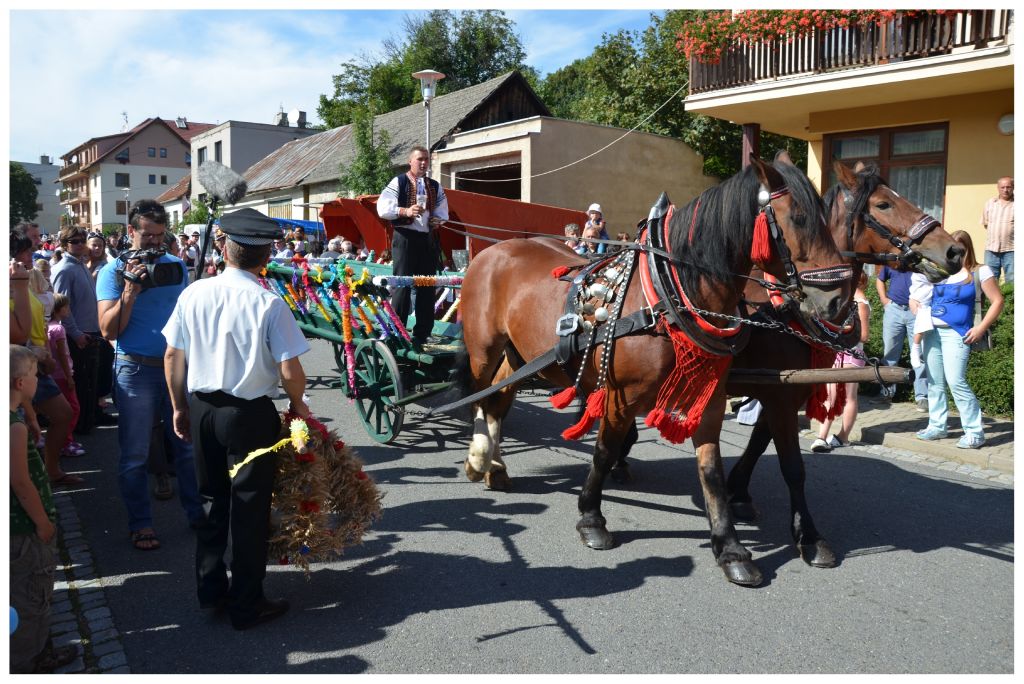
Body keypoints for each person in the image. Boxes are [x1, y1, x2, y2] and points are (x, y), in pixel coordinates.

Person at [163, 207, 311, 631]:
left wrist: (179, 407)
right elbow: (289, 370)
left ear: (224, 249)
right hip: (248, 415)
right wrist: (299, 405)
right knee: (249, 509)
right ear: (265, 257)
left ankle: (210, 589)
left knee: (212, 501)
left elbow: (172, 355)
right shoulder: (269, 303)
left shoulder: (194, 293)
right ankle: (246, 603)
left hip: (203, 408)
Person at [96, 200, 204, 550]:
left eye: (160, 235)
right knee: (135, 455)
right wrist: (130, 291)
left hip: (176, 367)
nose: (155, 242)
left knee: (186, 448)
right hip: (134, 369)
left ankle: (197, 515)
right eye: (147, 235)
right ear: (131, 231)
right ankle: (141, 524)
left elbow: (184, 316)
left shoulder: (176, 266)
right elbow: (108, 330)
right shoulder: (112, 271)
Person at [9, 345, 80, 674]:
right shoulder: (13, 427)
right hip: (24, 528)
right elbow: (20, 483)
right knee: (31, 593)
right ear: (20, 383)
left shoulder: (15, 418)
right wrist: (42, 522)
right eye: (35, 375)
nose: (39, 380)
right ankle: (30, 658)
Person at [914, 231, 1004, 449]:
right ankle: (937, 426)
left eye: (958, 248)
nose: (953, 252)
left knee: (956, 381)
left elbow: (997, 301)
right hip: (931, 331)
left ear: (967, 248)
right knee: (934, 381)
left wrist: (981, 328)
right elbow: (920, 294)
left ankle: (975, 432)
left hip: (957, 333)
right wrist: (915, 304)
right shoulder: (940, 271)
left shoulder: (979, 271)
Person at [11, 226, 80, 488]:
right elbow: (18, 333)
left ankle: (50, 471)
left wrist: (46, 355)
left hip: (36, 363)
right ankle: (29, 486)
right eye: (26, 250)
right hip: (19, 367)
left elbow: (38, 321)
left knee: (63, 414)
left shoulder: (24, 280)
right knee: (24, 427)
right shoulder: (14, 284)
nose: (32, 253)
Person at [376, 145, 448, 346]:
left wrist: (438, 220)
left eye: (426, 159)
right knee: (402, 285)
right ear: (410, 161)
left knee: (427, 285)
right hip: (405, 237)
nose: (423, 163)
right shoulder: (399, 181)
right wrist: (405, 211)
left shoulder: (435, 186)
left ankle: (423, 333)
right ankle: (396, 332)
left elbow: (443, 211)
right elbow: (382, 208)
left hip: (427, 239)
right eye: (419, 159)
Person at [50, 225, 108, 434]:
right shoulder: (64, 269)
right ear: (65, 244)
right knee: (81, 382)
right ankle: (81, 424)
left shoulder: (81, 264)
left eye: (82, 241)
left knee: (93, 380)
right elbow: (62, 307)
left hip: (91, 331)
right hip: (79, 334)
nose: (80, 244)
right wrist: (76, 334)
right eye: (74, 241)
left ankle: (91, 416)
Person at [811, 272, 872, 451]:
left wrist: (844, 330)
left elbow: (864, 336)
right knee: (830, 395)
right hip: (837, 352)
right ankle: (821, 437)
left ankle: (843, 436)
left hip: (852, 353)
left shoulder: (861, 303)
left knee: (848, 397)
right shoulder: (844, 301)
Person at [875, 264, 929, 409]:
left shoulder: (920, 262)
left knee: (919, 354)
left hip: (917, 311)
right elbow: (880, 279)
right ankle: (886, 393)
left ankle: (922, 397)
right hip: (894, 310)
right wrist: (884, 299)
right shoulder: (893, 261)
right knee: (889, 354)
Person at [47, 294, 86, 458]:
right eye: (66, 307)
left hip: (54, 375)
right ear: (57, 309)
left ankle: (65, 440)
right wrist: (69, 376)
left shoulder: (48, 327)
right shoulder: (58, 329)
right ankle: (65, 442)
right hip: (62, 375)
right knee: (72, 409)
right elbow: (62, 355)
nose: (68, 309)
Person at [980, 176, 1013, 283]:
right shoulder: (990, 203)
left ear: (1013, 188)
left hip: (1012, 250)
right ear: (998, 188)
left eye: (1008, 187)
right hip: (991, 250)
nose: (1005, 190)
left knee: (1013, 281)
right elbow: (986, 224)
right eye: (1002, 187)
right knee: (990, 280)